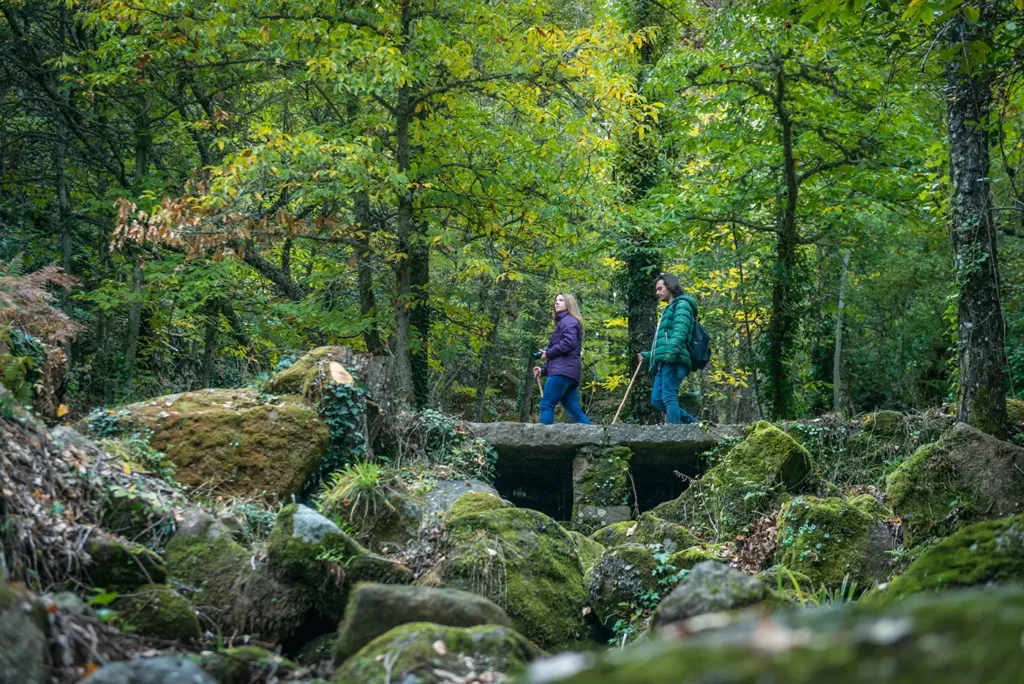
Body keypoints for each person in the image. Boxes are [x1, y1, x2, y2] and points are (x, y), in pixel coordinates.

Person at [638, 273, 698, 424]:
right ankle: (693, 424)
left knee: (668, 396)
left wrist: (670, 353)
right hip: (666, 359)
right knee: (657, 400)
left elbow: (680, 332)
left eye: (660, 289)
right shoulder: (669, 309)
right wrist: (648, 356)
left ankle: (675, 434)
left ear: (670, 287)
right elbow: (666, 340)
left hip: (674, 359)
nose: (657, 293)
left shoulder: (682, 305)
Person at [533, 293, 592, 425]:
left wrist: (547, 354)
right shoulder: (567, 322)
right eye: (556, 301)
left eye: (561, 300)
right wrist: (543, 370)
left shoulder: (568, 321)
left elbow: (568, 343)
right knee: (574, 410)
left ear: (569, 304)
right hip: (569, 373)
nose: (557, 303)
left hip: (562, 372)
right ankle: (597, 439)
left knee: (547, 404)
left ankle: (543, 441)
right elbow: (562, 355)